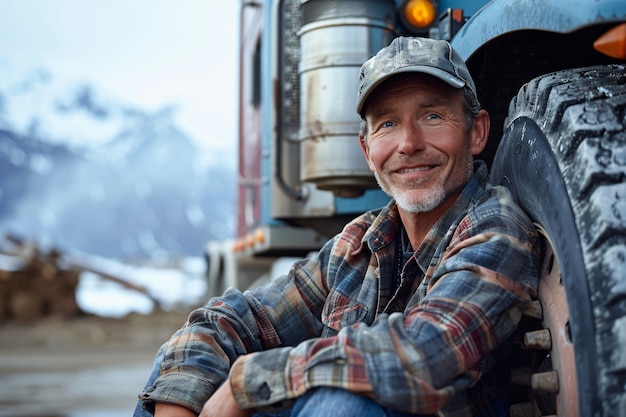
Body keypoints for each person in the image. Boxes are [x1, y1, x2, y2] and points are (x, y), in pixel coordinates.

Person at [134, 36, 539, 417]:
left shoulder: (497, 229)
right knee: (181, 371)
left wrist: (247, 381)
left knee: (341, 401)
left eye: (432, 115)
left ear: (477, 132)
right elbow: (230, 321)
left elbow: (426, 353)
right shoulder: (360, 243)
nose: (409, 143)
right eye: (387, 125)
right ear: (367, 152)